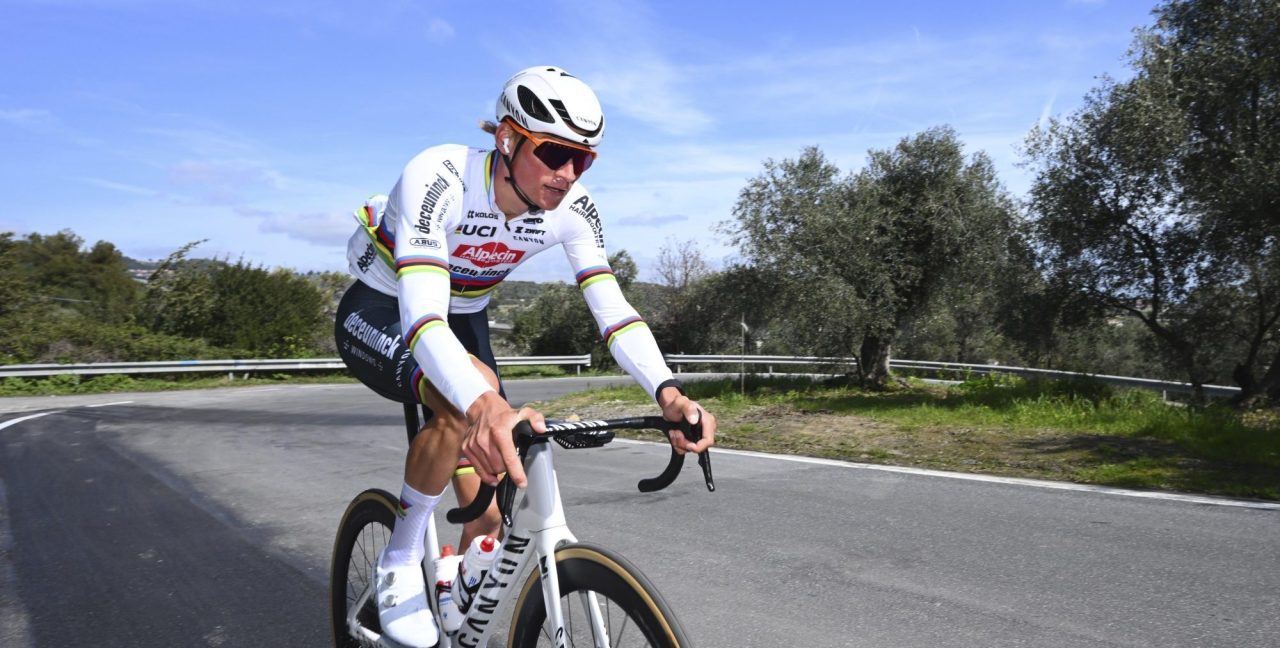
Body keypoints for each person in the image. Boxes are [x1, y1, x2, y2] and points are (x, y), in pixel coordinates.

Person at [333, 65, 717, 646]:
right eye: (554, 153)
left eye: (582, 159)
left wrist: (667, 391)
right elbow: (423, 319)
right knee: (470, 399)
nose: (567, 174)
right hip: (388, 307)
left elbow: (611, 309)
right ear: (508, 139)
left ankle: (455, 612)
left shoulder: (574, 208)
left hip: (463, 316)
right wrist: (482, 403)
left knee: (489, 512)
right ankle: (400, 557)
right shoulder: (438, 176)